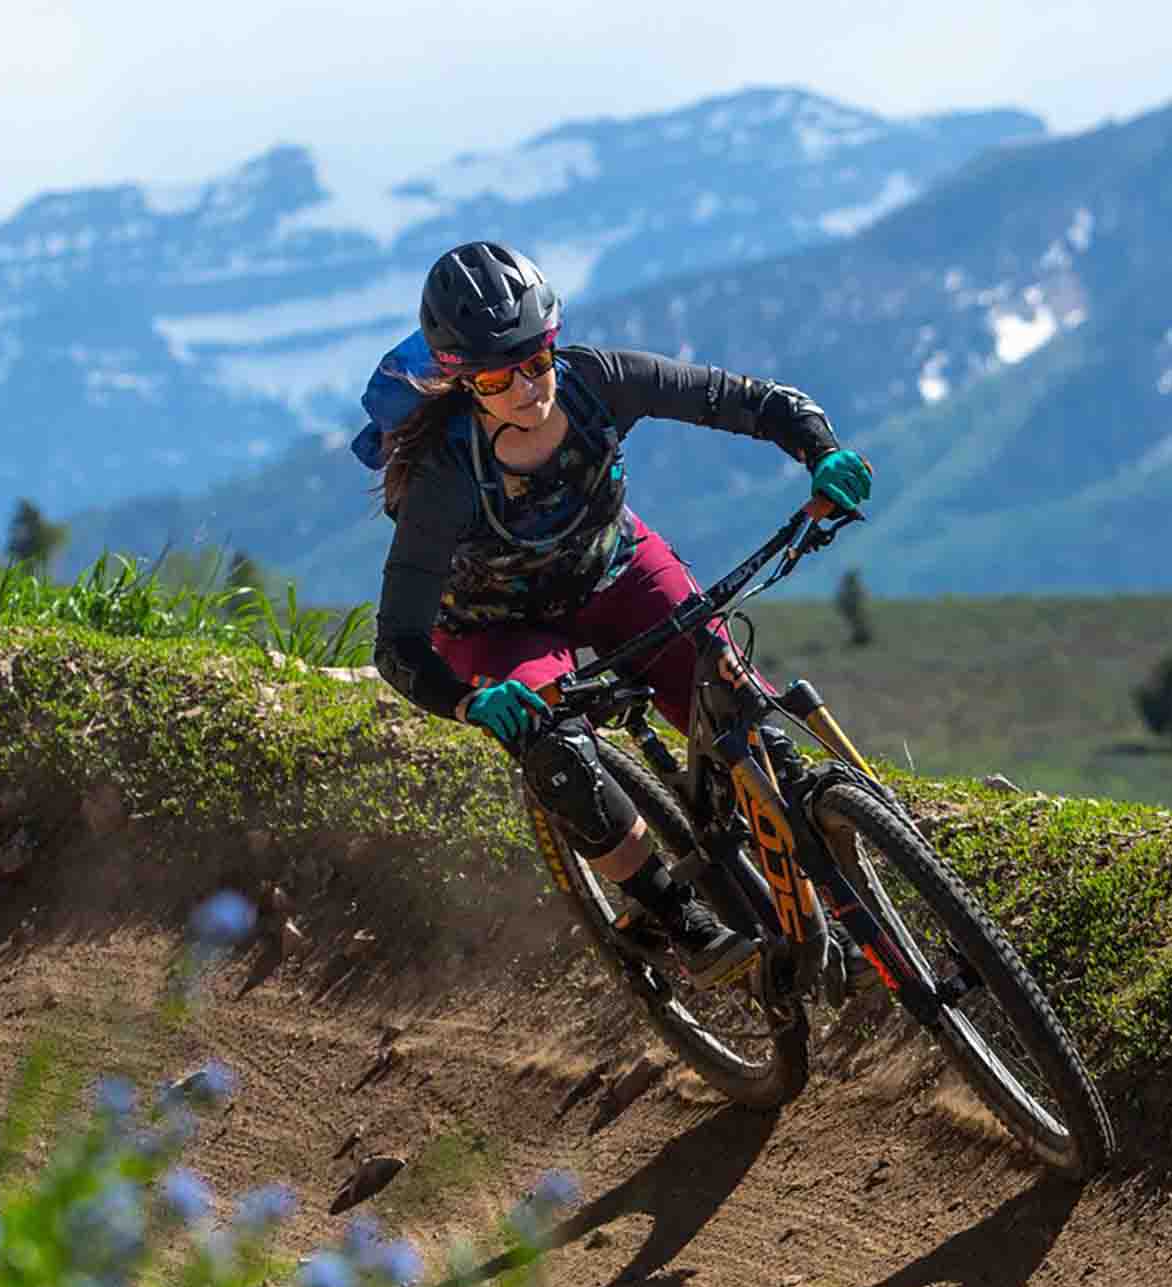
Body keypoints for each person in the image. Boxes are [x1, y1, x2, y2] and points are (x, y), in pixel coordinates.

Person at [369, 240, 873, 983]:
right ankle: (672, 912)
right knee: (554, 745)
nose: (526, 388)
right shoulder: (444, 478)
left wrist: (819, 449)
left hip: (616, 569)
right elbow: (398, 644)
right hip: (498, 626)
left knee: (748, 715)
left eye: (536, 360)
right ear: (462, 380)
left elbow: (744, 398)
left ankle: (851, 914)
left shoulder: (597, 383)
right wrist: (472, 701)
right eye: (497, 376)